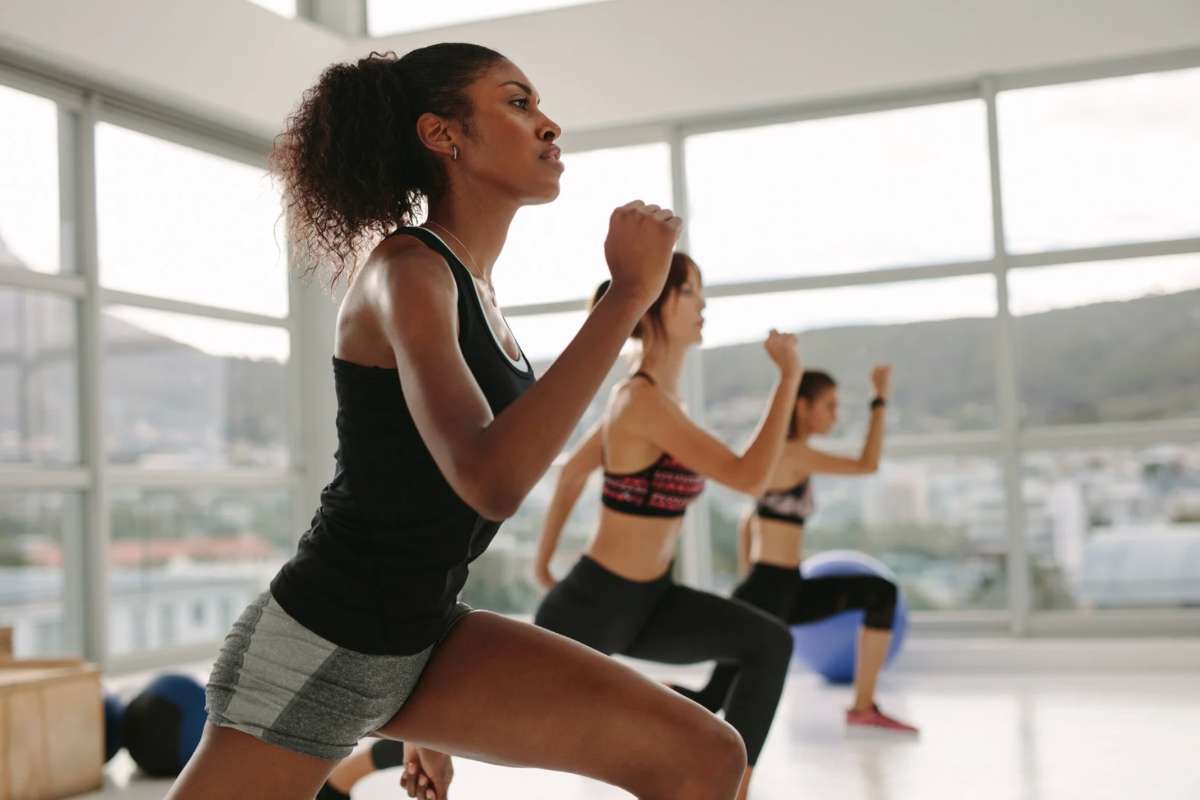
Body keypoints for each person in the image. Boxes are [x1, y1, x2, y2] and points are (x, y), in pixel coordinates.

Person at [168, 45, 751, 800]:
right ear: (444, 136)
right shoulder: (405, 272)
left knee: (705, 756)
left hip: (424, 636)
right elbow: (490, 478)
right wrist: (626, 298)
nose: (549, 125)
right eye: (517, 103)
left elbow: (431, 495)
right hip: (321, 642)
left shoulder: (473, 286)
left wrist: (425, 716)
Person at [533, 255, 801, 800]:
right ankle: (349, 774)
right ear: (663, 300)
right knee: (483, 720)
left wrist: (544, 561)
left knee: (766, 645)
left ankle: (733, 791)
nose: (704, 305)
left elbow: (575, 474)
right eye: (693, 293)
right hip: (595, 603)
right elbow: (750, 477)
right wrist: (789, 378)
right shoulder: (641, 400)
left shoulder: (655, 403)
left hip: (651, 603)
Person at [674, 366, 919, 734]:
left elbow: (748, 518)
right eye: (829, 405)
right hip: (769, 589)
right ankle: (629, 701)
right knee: (710, 700)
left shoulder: (789, 455)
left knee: (880, 595)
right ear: (803, 406)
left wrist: (749, 576)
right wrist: (879, 398)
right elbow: (867, 464)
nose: (835, 414)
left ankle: (862, 707)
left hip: (783, 585)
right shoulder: (792, 454)